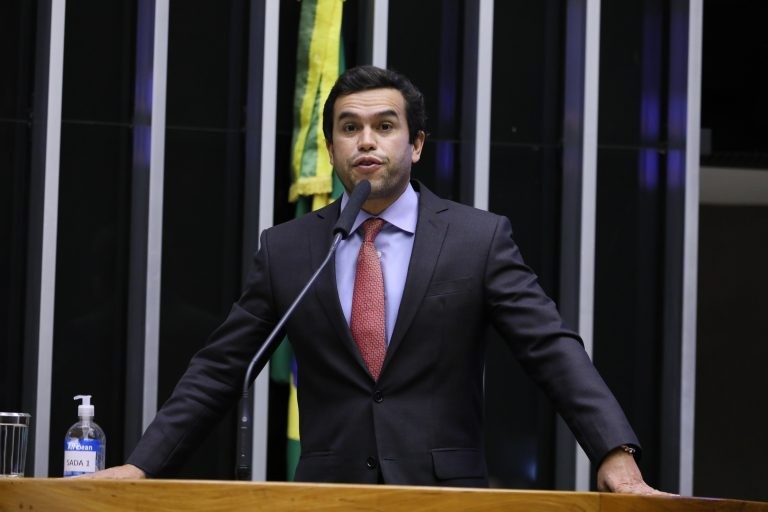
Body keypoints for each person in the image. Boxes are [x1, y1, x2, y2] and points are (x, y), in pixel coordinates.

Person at [84, 66, 661, 493]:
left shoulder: (476, 239)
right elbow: (221, 367)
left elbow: (551, 350)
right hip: (327, 495)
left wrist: (614, 453)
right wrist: (144, 465)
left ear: (414, 144)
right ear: (332, 148)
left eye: (385, 126)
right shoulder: (290, 247)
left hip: (443, 496)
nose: (366, 141)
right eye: (349, 127)